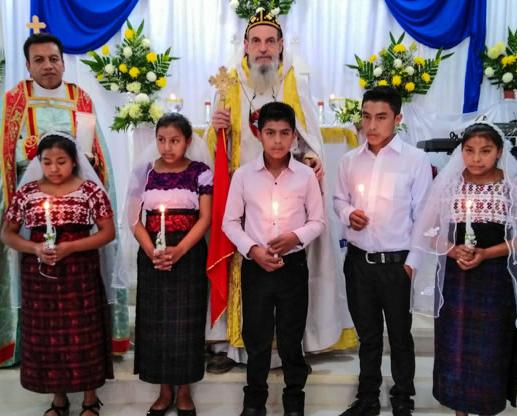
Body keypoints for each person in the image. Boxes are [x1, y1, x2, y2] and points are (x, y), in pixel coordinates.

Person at [0, 33, 127, 370]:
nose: (48, 66)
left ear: (63, 62)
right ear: (28, 66)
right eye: (39, 60)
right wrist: (32, 154)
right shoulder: (14, 101)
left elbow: (96, 153)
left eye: (54, 59)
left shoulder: (79, 98)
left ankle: (88, 341)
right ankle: (18, 342)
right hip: (27, 200)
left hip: (75, 204)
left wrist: (82, 161)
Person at [205, 8, 355, 374]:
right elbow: (214, 152)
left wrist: (313, 159)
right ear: (245, 45)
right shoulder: (228, 83)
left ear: (281, 45)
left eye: (270, 41)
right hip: (244, 197)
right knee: (244, 267)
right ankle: (232, 345)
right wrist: (216, 128)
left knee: (289, 282)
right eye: (256, 41)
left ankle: (294, 349)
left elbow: (308, 136)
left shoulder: (293, 81)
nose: (263, 48)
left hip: (288, 197)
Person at [410, 121, 517, 416]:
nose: (476, 158)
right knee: (456, 346)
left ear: (499, 151)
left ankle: (486, 407)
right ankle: (459, 411)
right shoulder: (449, 184)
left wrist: (487, 253)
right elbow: (427, 231)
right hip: (455, 280)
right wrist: (452, 249)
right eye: (469, 150)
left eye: (485, 151)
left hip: (495, 278)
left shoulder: (512, 185)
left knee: (491, 346)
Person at [333, 86, 432, 416]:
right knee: (368, 335)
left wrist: (412, 264)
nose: (371, 125)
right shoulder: (350, 161)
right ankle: (368, 397)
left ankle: (403, 396)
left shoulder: (415, 161)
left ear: (397, 119)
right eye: (366, 117)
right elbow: (339, 199)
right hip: (359, 261)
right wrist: (349, 213)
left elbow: (424, 216)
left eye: (381, 117)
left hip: (397, 263)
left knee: (400, 334)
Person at [223, 102, 325, 416]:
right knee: (257, 337)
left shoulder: (305, 176)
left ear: (294, 136)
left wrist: (295, 237)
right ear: (259, 134)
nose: (277, 140)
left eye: (284, 133)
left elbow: (318, 221)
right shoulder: (244, 176)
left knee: (292, 336)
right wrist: (253, 250)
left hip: (292, 266)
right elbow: (230, 223)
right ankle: (255, 401)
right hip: (256, 266)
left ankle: (294, 401)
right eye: (270, 133)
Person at [0, 133, 113, 416]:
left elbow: (108, 232)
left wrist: (70, 247)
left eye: (61, 161)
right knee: (49, 336)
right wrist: (35, 248)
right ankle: (58, 399)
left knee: (84, 334)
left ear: (74, 162)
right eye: (47, 162)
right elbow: (8, 234)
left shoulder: (90, 191)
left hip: (80, 273)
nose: (54, 168)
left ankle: (90, 400)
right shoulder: (27, 193)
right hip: (40, 276)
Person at [128, 114, 213, 416]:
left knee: (187, 323)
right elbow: (133, 219)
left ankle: (185, 391)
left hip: (188, 252)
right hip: (153, 252)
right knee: (157, 324)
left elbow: (205, 218)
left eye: (174, 140)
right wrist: (152, 250)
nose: (167, 147)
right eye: (161, 140)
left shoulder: (200, 172)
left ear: (187, 141)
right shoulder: (145, 172)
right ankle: (164, 390)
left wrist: (180, 250)